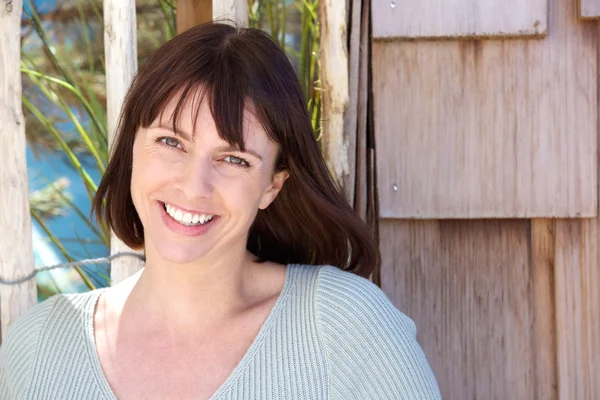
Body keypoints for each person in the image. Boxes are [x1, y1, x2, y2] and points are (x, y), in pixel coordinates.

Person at [0, 22, 441, 399]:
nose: (194, 187)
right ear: (132, 147)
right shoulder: (39, 344)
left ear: (272, 184)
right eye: (171, 142)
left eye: (234, 160)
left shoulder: (345, 329)